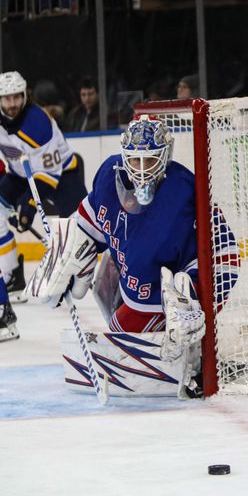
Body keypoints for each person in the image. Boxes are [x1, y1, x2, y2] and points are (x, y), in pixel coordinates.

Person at [26, 116, 235, 394]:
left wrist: (194, 296)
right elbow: (88, 224)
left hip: (165, 292)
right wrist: (67, 255)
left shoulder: (183, 190)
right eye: (135, 161)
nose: (141, 170)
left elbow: (225, 254)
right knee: (114, 326)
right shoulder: (108, 176)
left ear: (165, 157)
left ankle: (194, 349)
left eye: (149, 160)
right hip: (130, 283)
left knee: (134, 341)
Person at [0, 70, 87, 303]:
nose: (12, 103)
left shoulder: (38, 124)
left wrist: (27, 206)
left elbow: (48, 175)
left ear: (24, 95)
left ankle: (82, 273)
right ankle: (11, 275)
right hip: (20, 175)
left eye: (17, 97)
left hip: (61, 175)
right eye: (7, 98)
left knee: (83, 229)